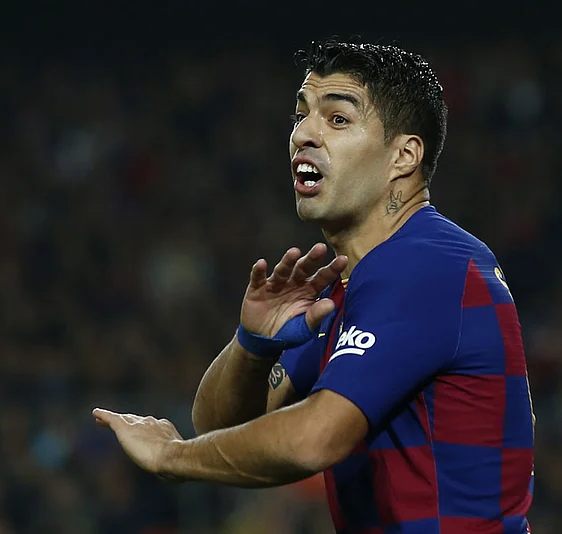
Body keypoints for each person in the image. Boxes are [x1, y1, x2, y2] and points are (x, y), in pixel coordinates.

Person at [93, 40, 535, 534]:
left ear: (404, 156)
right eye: (301, 115)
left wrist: (171, 457)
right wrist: (253, 345)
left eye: (337, 119)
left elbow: (313, 440)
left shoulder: (428, 264)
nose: (303, 134)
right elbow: (222, 428)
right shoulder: (350, 288)